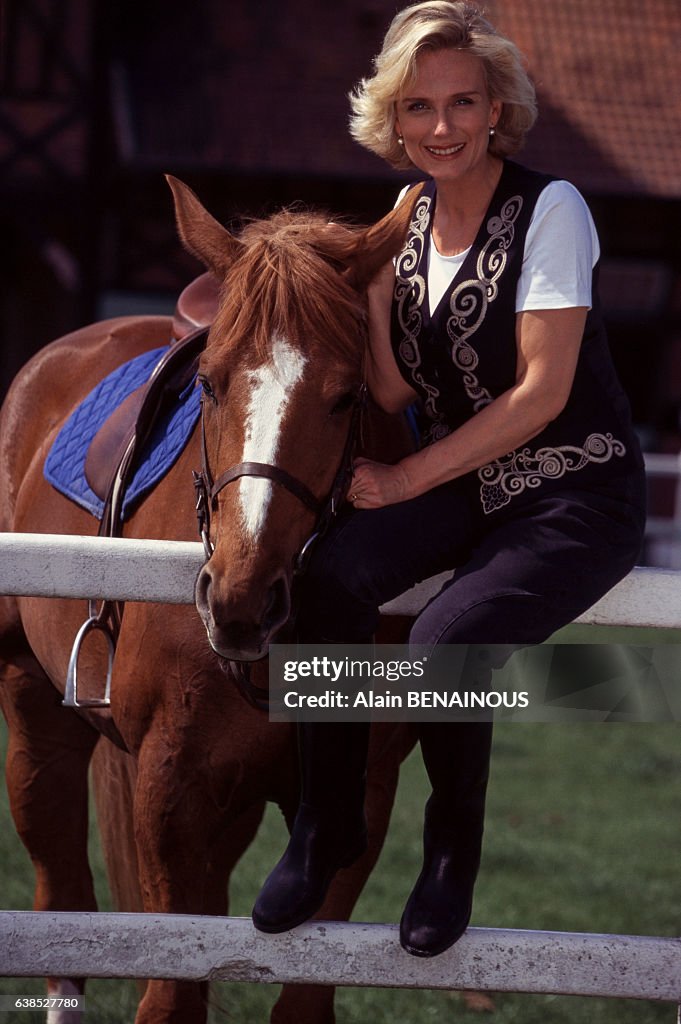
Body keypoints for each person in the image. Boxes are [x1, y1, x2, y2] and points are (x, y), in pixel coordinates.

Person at [251, 0, 646, 956]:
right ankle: (324, 824)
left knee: (444, 638)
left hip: (572, 489)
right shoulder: (406, 215)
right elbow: (391, 385)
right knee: (326, 579)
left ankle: (446, 862)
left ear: (496, 107)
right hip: (468, 487)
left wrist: (404, 478)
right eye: (419, 107)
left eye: (462, 103)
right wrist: (381, 294)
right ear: (392, 119)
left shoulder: (552, 208)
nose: (441, 127)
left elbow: (541, 396)